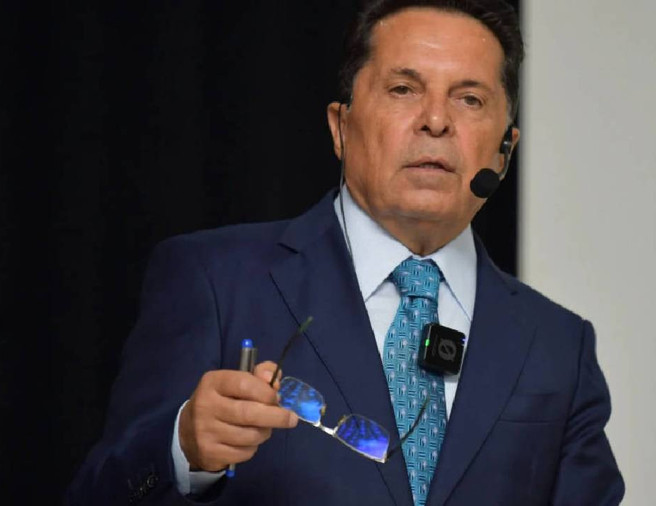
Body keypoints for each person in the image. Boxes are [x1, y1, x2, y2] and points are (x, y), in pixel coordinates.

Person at [67, 0, 625, 504]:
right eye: (403, 89)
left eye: (470, 99)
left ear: (505, 150)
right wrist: (183, 450)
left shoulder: (558, 345)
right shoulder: (215, 281)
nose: (436, 121)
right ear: (340, 126)